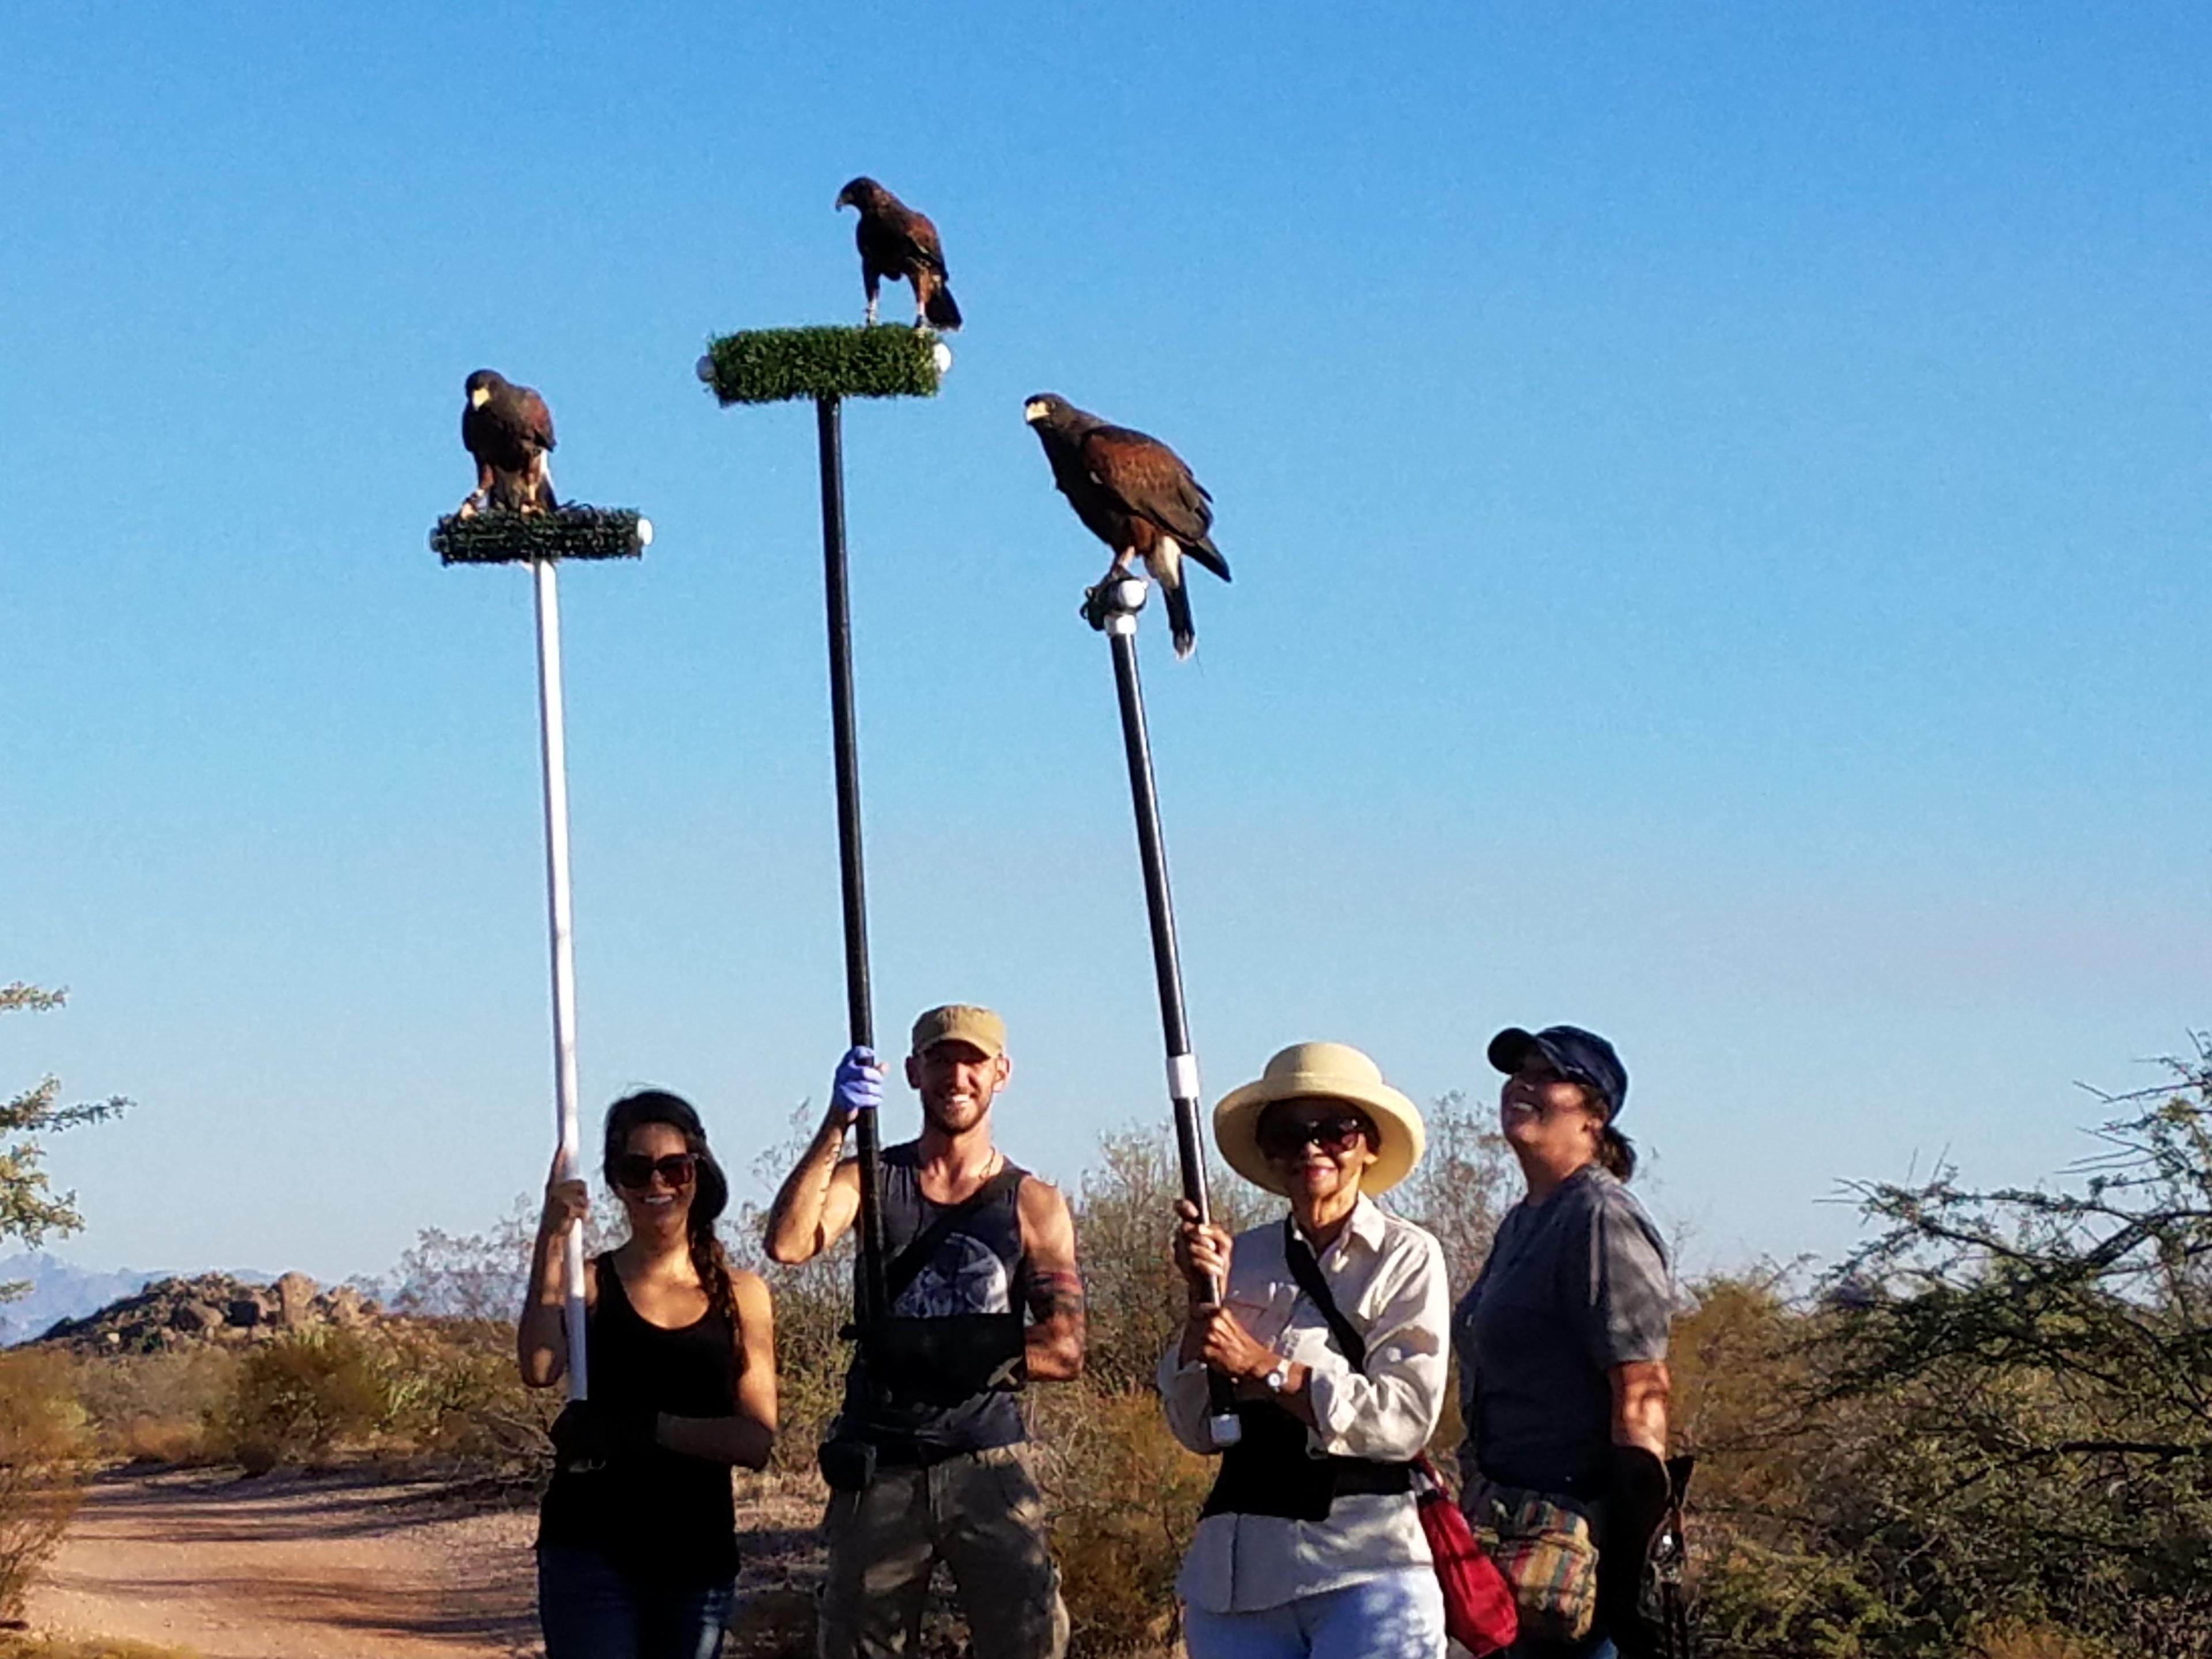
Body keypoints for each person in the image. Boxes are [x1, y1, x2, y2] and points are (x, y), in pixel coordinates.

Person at [763, 1004, 1084, 1659]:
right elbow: (789, 1244)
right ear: (913, 1072)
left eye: (973, 1061)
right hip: (880, 1467)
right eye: (940, 1060)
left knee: (1029, 1643)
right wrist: (838, 1122)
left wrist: (945, 1349)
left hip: (988, 1463)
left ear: (1002, 1072)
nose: (956, 1076)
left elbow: (1064, 1349)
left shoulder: (1033, 1203)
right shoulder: (872, 1180)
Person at [1163, 1041, 1452, 1659]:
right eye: (1289, 1134)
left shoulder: (1409, 1256)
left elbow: (1402, 1419)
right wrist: (1198, 1308)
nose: (1311, 1148)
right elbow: (1195, 1428)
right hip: (1234, 1583)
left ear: (1369, 1146)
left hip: (1367, 1573)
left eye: (1336, 1131)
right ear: (1270, 1153)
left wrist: (1264, 1370)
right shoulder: (1236, 1260)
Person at [520, 1090, 778, 1659]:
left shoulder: (741, 1296)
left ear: (696, 1172)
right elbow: (539, 1366)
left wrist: (646, 1429)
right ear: (615, 1181)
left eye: (673, 1166)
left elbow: (756, 1439)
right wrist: (552, 1235)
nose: (656, 1183)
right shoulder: (588, 1283)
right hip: (589, 1550)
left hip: (697, 1557)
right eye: (636, 1168)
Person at [1453, 1026, 1674, 1659]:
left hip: (1574, 1546)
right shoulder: (1524, 1219)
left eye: (1546, 1074)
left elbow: (1641, 1393)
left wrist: (1627, 1574)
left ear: (1594, 1115)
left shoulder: (1601, 1216)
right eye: (1517, 1071)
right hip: (1508, 1530)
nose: (1522, 1084)